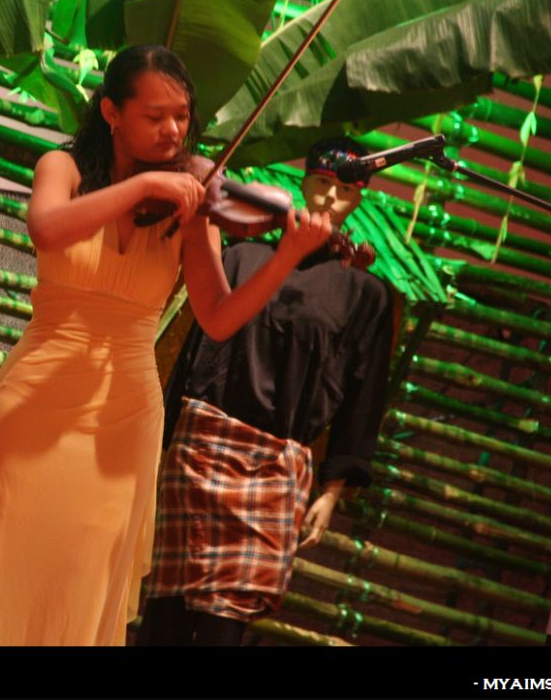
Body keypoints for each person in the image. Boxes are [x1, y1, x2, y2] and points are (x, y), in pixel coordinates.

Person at [0, 45, 333, 646]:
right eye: (155, 116)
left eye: (183, 117)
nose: (174, 132)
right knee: (6, 555)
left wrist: (286, 257)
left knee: (84, 573)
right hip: (37, 395)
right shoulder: (61, 168)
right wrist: (142, 185)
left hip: (124, 414)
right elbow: (46, 229)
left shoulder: (193, 194)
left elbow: (218, 317)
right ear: (112, 112)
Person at [137, 136, 395, 646]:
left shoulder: (366, 294)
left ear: (359, 198)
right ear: (304, 182)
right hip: (200, 452)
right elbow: (195, 350)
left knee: (225, 625)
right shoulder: (242, 256)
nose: (329, 198)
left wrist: (332, 489)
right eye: (321, 183)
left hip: (276, 468)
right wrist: (163, 441)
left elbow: (363, 393)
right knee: (165, 614)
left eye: (345, 190)